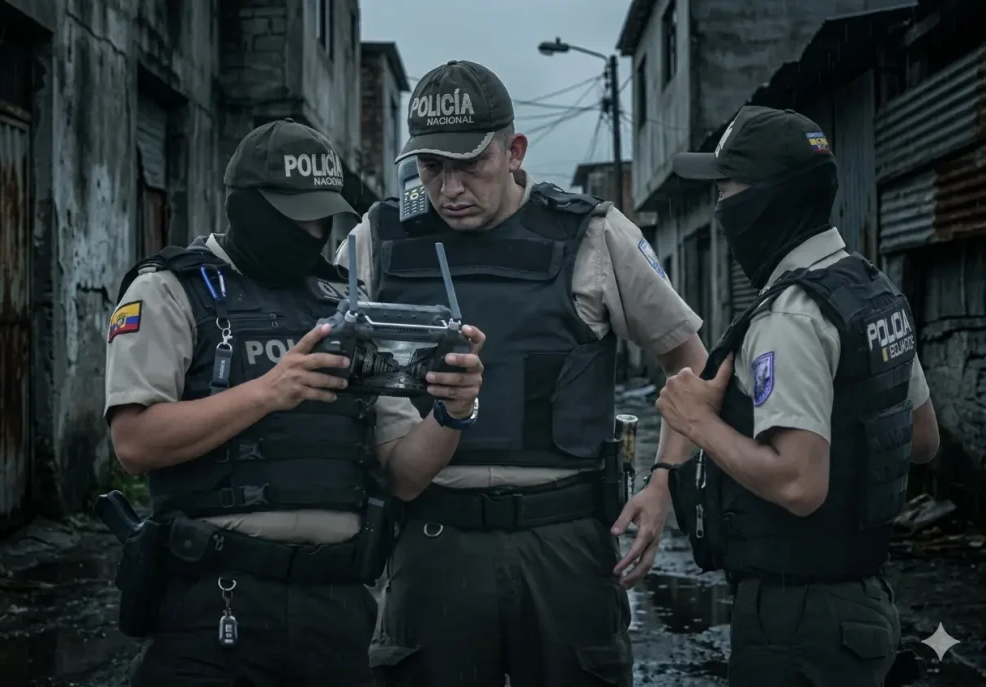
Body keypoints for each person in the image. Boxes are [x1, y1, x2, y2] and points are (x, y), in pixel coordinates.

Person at [336, 60, 708, 687]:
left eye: (469, 164)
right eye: (431, 168)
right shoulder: (378, 240)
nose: (449, 187)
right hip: (432, 540)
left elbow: (689, 362)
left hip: (561, 542)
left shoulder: (592, 233)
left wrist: (665, 481)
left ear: (514, 151)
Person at [103, 118, 486, 687]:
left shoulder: (347, 305)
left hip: (334, 608)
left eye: (321, 214)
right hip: (213, 603)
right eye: (296, 212)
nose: (312, 230)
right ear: (248, 206)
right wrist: (266, 393)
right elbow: (133, 443)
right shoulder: (171, 290)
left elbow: (404, 475)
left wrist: (454, 411)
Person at [660, 105, 941, 687]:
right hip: (863, 605)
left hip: (798, 624)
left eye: (726, 187)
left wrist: (699, 423)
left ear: (767, 200)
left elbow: (799, 484)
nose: (720, 206)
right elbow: (922, 440)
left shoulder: (792, 316)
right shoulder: (870, 287)